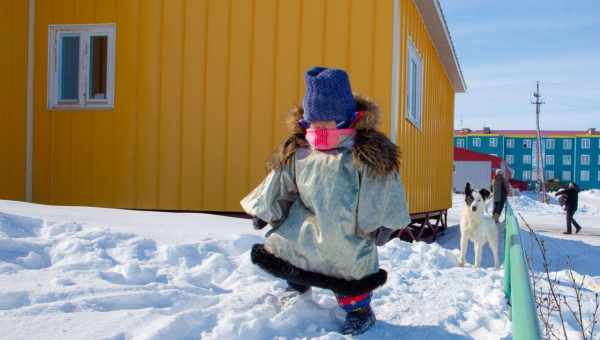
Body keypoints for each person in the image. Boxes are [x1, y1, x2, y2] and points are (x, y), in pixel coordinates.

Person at [241, 67, 411, 336]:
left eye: (325, 124)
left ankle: (359, 311)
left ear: (344, 119)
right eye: (313, 123)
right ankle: (296, 286)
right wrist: (265, 208)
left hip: (346, 228)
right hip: (305, 221)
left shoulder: (365, 154)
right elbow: (281, 181)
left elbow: (382, 190)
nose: (317, 130)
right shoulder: (300, 151)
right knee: (289, 247)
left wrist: (383, 223)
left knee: (349, 267)